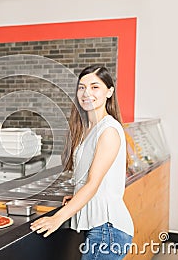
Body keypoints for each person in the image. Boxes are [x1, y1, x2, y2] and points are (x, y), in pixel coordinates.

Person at [31, 66, 134, 259]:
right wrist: (77, 195)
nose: (87, 93)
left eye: (95, 87)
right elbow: (89, 179)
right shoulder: (88, 128)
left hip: (107, 230)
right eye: (81, 87)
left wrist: (57, 219)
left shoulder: (109, 130)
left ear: (109, 92)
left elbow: (93, 184)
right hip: (101, 228)